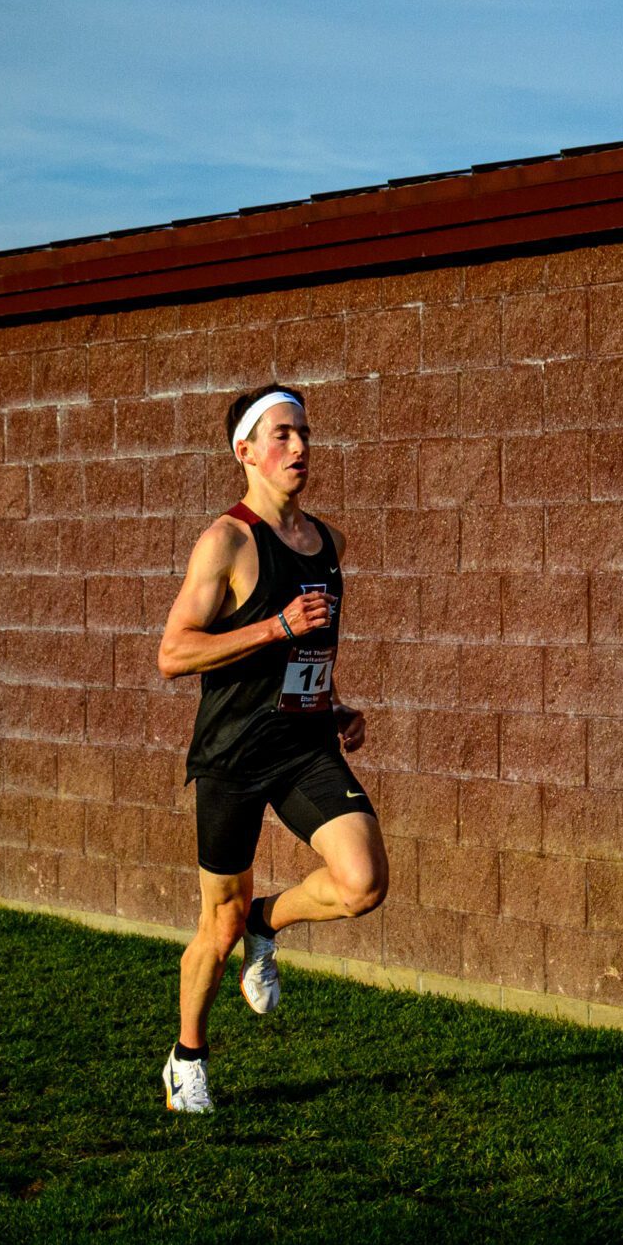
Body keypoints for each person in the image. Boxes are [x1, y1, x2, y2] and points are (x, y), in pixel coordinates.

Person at [153, 383, 387, 1113]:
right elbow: (172, 652)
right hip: (232, 754)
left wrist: (333, 699)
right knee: (215, 923)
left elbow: (311, 641)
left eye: (305, 434)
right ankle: (186, 1056)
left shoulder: (329, 543)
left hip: (303, 743)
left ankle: (268, 922)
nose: (300, 448)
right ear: (244, 452)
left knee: (363, 882)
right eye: (282, 435)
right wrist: (271, 627)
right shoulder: (226, 540)